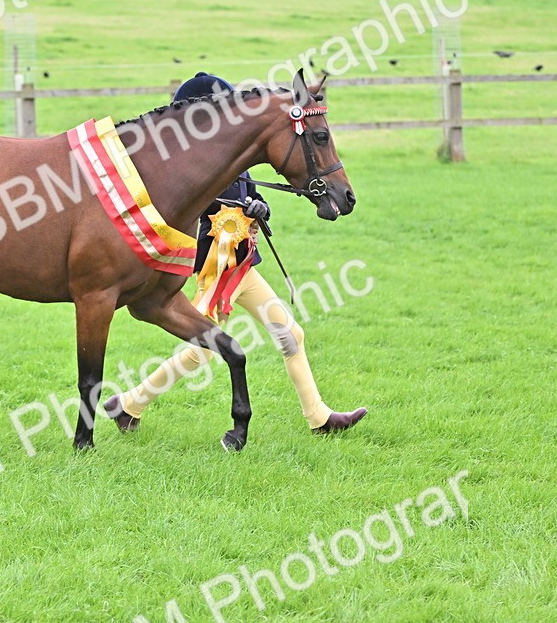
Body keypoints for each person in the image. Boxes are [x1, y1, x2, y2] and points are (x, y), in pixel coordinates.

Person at [103, 73, 367, 435]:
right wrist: (237, 209)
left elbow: (250, 196)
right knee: (203, 349)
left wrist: (259, 208)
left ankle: (319, 417)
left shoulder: (236, 160)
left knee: (291, 334)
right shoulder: (195, 171)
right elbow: (198, 210)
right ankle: (128, 404)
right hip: (214, 268)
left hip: (242, 266)